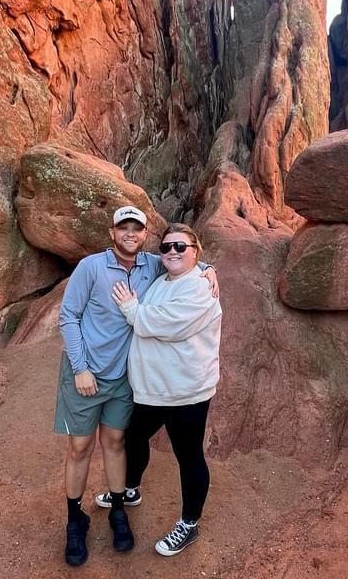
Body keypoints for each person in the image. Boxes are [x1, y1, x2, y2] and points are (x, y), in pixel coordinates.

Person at [56, 206, 218, 567]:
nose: (172, 252)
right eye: (123, 227)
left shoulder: (162, 270)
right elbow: (68, 316)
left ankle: (135, 511)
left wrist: (208, 269)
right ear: (112, 231)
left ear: (145, 234)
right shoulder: (98, 267)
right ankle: (80, 516)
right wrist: (80, 367)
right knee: (91, 445)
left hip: (157, 387)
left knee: (130, 444)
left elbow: (170, 298)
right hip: (102, 377)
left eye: (138, 228)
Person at [111, 222, 222, 557]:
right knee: (132, 437)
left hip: (186, 394)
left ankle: (189, 524)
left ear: (195, 251)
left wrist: (132, 310)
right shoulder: (162, 281)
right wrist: (207, 265)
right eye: (166, 247)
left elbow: (163, 324)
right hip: (152, 391)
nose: (172, 252)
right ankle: (130, 489)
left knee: (188, 457)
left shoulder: (200, 289)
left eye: (181, 247)